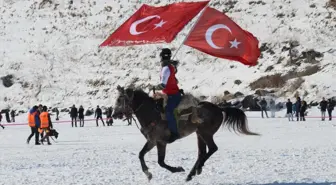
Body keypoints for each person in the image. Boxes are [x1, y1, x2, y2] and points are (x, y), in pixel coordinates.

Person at [154, 48, 181, 142]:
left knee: (169, 112)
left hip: (172, 95)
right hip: (168, 93)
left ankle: (174, 133)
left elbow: (162, 85)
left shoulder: (166, 68)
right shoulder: (170, 67)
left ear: (161, 57)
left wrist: (153, 87)